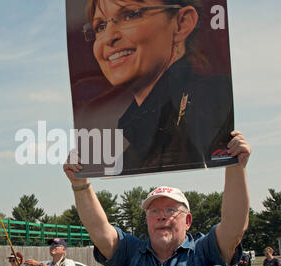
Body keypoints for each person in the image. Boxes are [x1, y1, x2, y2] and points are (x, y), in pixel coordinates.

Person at [64, 131, 251, 266]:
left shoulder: (205, 253)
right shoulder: (131, 255)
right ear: (147, 220)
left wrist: (235, 166)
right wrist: (80, 184)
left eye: (170, 210)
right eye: (154, 211)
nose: (162, 216)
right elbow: (99, 230)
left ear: (188, 221)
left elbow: (234, 228)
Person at [77, 0, 235, 176]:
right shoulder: (130, 154)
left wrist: (237, 166)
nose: (108, 37)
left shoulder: (212, 98)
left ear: (182, 23)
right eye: (100, 26)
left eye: (131, 15)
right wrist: (80, 184)